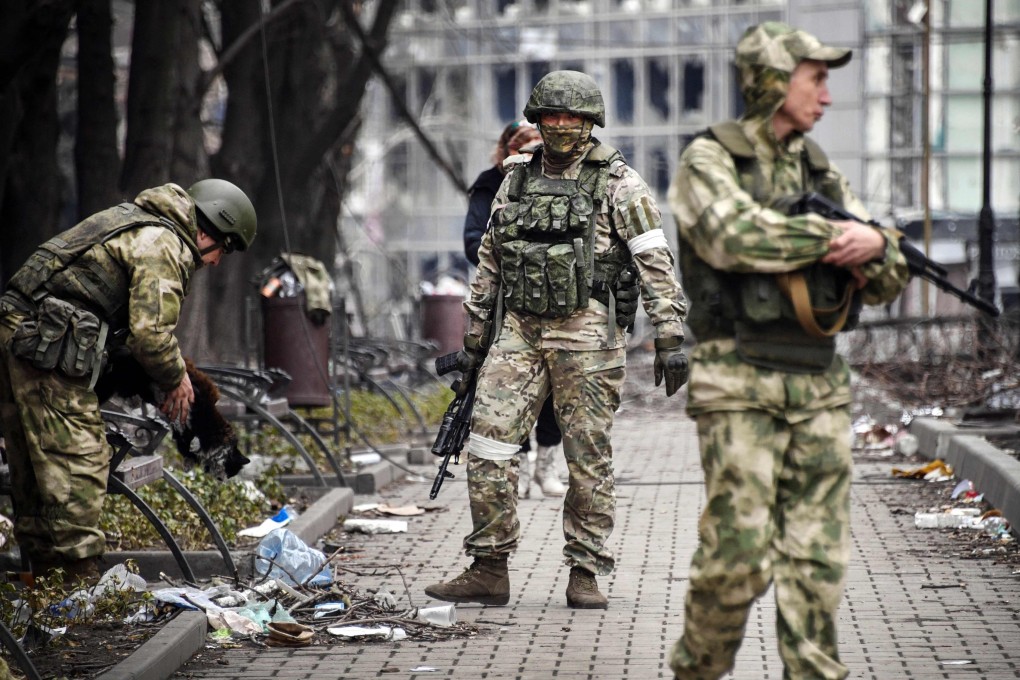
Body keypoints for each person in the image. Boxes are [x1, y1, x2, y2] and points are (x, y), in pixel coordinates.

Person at [667, 22, 909, 679]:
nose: (827, 97)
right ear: (775, 79)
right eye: (817, 78)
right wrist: (841, 237)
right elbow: (732, 237)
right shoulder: (708, 159)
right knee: (737, 559)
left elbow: (887, 276)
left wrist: (879, 247)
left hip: (819, 386)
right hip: (738, 380)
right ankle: (697, 670)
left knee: (818, 561)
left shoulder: (819, 170)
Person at [426, 70, 689, 610]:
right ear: (537, 119)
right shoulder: (516, 179)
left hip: (589, 339)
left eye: (574, 117)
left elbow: (654, 262)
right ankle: (489, 566)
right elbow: (491, 264)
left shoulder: (621, 184)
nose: (563, 126)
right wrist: (475, 340)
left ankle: (585, 571)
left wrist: (670, 334)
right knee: (488, 446)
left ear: (592, 122)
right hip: (519, 333)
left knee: (587, 458)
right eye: (552, 116)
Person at [0, 179, 257, 582]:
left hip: (20, 339)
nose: (216, 262)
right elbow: (150, 336)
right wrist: (176, 379)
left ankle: (44, 584)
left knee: (33, 468)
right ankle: (75, 586)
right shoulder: (163, 242)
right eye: (222, 249)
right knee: (78, 468)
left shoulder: (133, 221)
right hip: (45, 350)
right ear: (207, 230)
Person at [463, 119, 566, 498]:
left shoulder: (562, 182)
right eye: (522, 148)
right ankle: (519, 467)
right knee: (509, 391)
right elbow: (474, 240)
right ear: (507, 149)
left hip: (556, 304)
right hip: (506, 304)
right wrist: (516, 257)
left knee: (556, 388)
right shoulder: (492, 183)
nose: (530, 156)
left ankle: (546, 466)